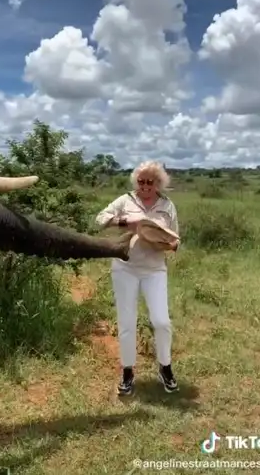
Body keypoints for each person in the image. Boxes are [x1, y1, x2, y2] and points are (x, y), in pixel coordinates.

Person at [95, 160, 180, 397]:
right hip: (125, 268)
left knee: (161, 322)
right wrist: (125, 221)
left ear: (158, 183)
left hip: (154, 269)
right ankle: (127, 372)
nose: (144, 186)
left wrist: (168, 243)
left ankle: (165, 367)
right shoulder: (125, 200)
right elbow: (100, 219)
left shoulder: (167, 205)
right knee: (126, 322)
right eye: (140, 181)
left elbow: (176, 239)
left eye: (149, 182)